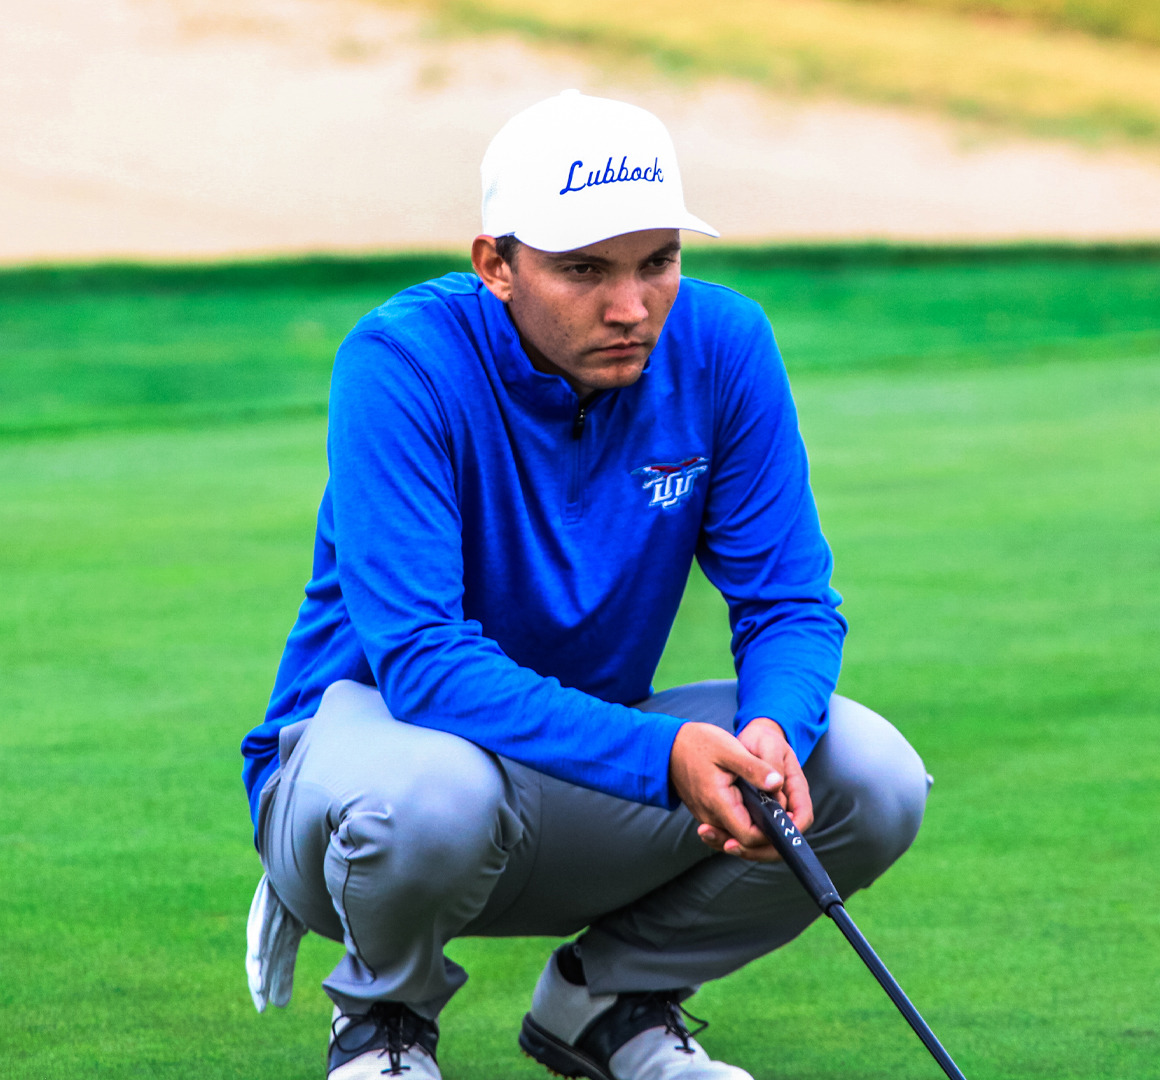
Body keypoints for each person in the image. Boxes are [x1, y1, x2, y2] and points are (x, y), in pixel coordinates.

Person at [241, 89, 930, 1080]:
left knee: (870, 772)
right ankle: (384, 1021)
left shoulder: (724, 345)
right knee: (432, 795)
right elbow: (425, 667)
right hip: (372, 772)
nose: (630, 306)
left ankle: (609, 1007)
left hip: (573, 775)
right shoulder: (399, 362)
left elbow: (786, 601)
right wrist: (666, 756)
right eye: (584, 271)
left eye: (658, 262)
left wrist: (778, 727)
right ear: (496, 265)